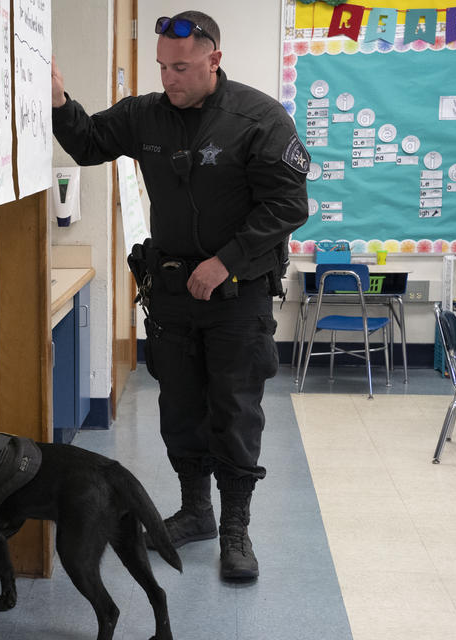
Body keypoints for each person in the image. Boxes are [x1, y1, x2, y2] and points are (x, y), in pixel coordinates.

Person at [51, 11, 309, 580]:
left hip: (237, 295)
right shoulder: (146, 115)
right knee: (179, 406)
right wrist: (57, 100)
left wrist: (225, 262)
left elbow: (289, 206)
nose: (170, 78)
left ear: (214, 60)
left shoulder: (259, 119)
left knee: (236, 410)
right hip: (171, 293)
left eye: (183, 68)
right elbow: (90, 143)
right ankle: (197, 511)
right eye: (163, 66)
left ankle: (236, 528)